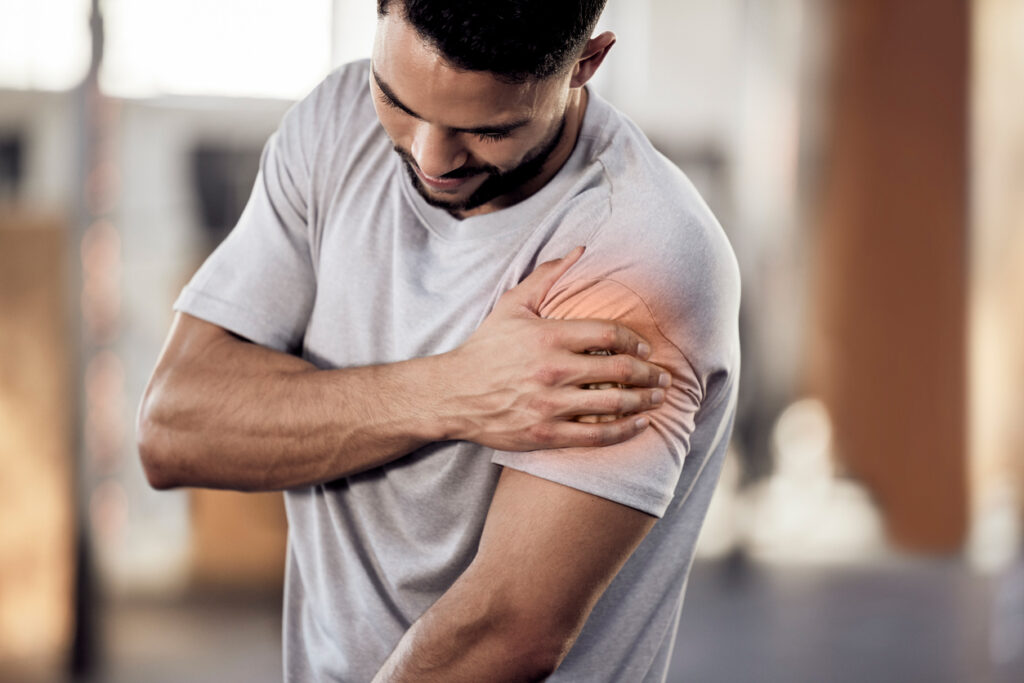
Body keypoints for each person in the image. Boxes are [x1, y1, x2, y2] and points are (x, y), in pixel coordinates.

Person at [137, 0, 740, 680]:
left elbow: (507, 630)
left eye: (487, 130)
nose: (430, 159)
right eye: (396, 99)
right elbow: (172, 431)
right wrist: (453, 389)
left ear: (585, 65)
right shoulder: (336, 123)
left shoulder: (636, 252)